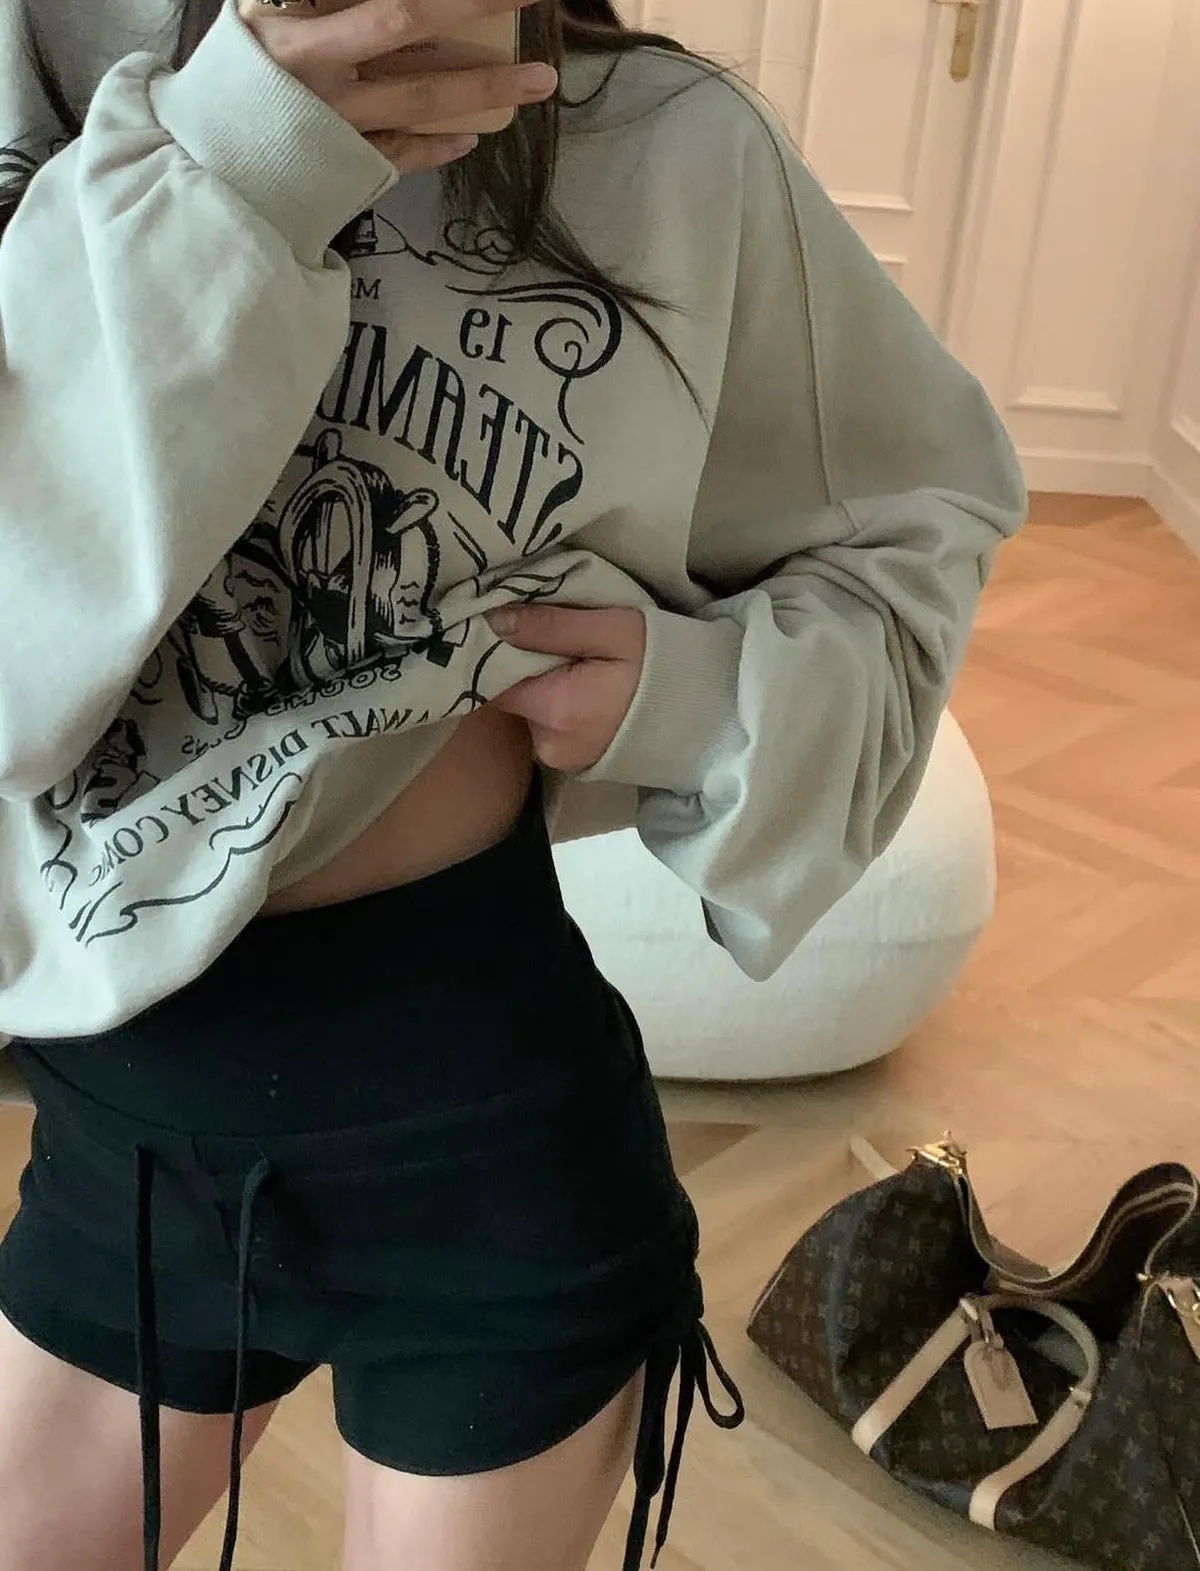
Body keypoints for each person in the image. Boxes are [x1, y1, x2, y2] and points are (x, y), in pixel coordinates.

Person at [0, 0, 1028, 1566]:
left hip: (491, 1161)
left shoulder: (665, 144)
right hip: (122, 1162)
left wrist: (705, 696)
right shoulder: (40, 75)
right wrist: (231, 167)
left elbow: (917, 516)